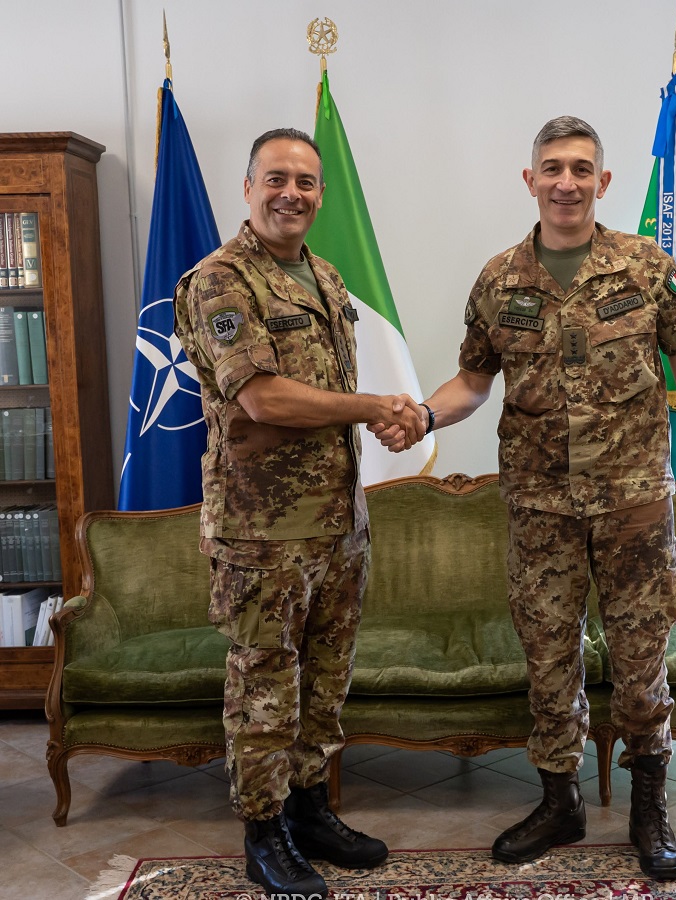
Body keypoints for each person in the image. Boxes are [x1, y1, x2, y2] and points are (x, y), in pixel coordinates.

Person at [372, 116, 676, 881]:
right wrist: (424, 415)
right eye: (553, 168)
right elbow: (473, 382)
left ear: (603, 181)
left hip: (633, 504)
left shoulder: (644, 267)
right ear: (530, 180)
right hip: (541, 509)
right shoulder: (499, 280)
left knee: (641, 659)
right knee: (548, 658)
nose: (567, 182)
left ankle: (649, 808)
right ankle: (560, 803)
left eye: (582, 168)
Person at [174, 128, 427, 898]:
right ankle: (264, 833)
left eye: (306, 182)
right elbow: (263, 397)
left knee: (324, 682)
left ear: (320, 194)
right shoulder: (220, 281)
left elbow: (326, 392)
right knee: (264, 690)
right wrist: (376, 407)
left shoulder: (326, 276)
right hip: (263, 532)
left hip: (337, 522)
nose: (292, 194)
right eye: (276, 178)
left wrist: (384, 419)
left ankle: (310, 811)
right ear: (248, 188)